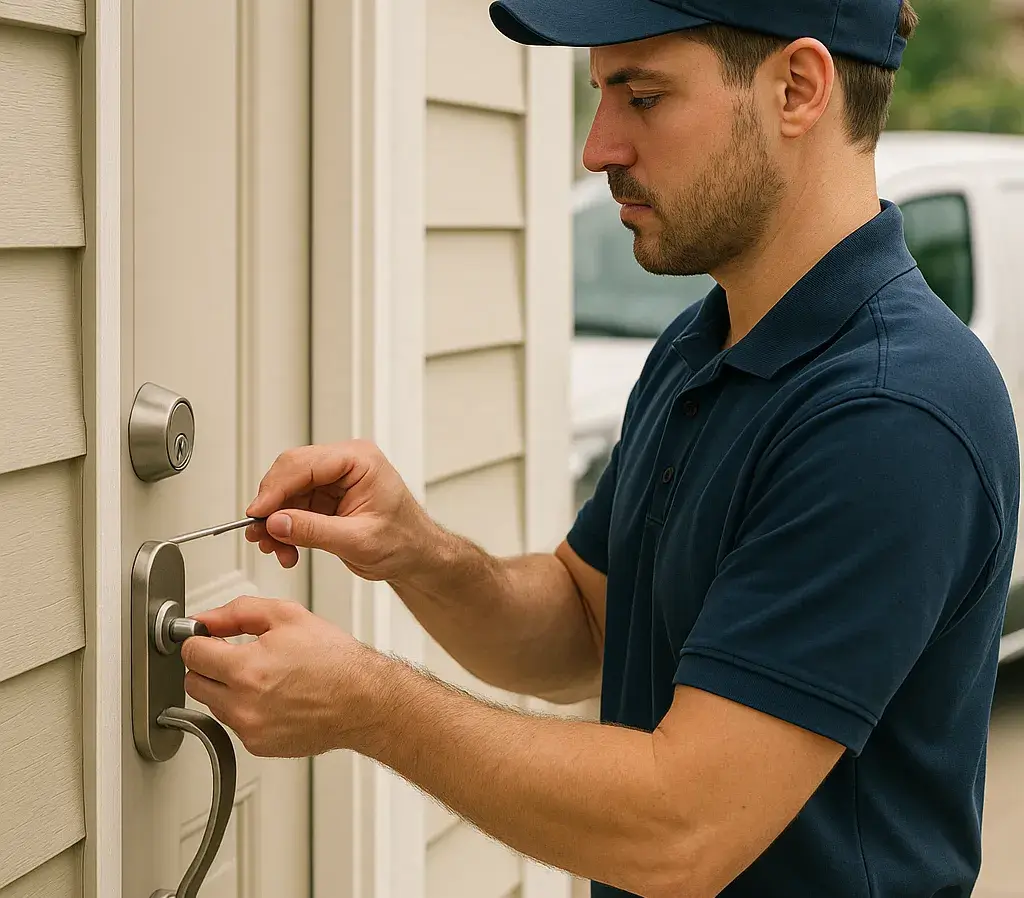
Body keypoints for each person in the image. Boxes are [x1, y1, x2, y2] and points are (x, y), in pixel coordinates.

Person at [180, 0, 1022, 895]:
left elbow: (681, 827)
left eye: (642, 96)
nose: (597, 149)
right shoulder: (705, 346)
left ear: (798, 89)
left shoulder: (888, 413)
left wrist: (368, 704)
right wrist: (416, 552)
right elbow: (586, 624)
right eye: (600, 96)